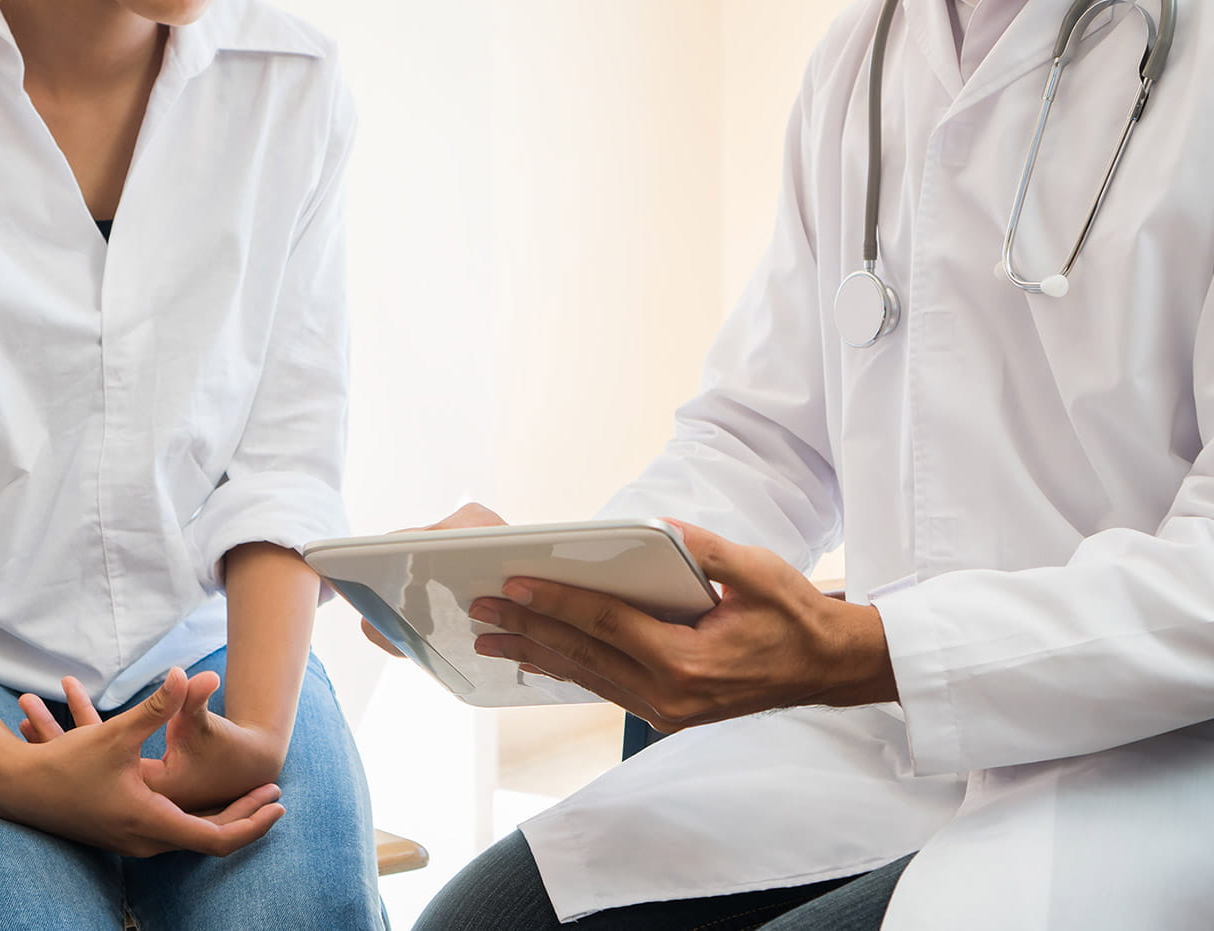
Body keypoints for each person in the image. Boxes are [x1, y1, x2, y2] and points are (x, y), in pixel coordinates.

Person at [404, 0, 1214, 928]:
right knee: (475, 921)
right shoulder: (864, 56)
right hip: (894, 733)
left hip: (1164, 752)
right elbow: (762, 437)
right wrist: (556, 574)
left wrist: (866, 652)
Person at [0, 0, 383, 928]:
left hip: (208, 656)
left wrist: (257, 734)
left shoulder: (294, 80)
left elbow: (285, 458)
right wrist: (5, 772)